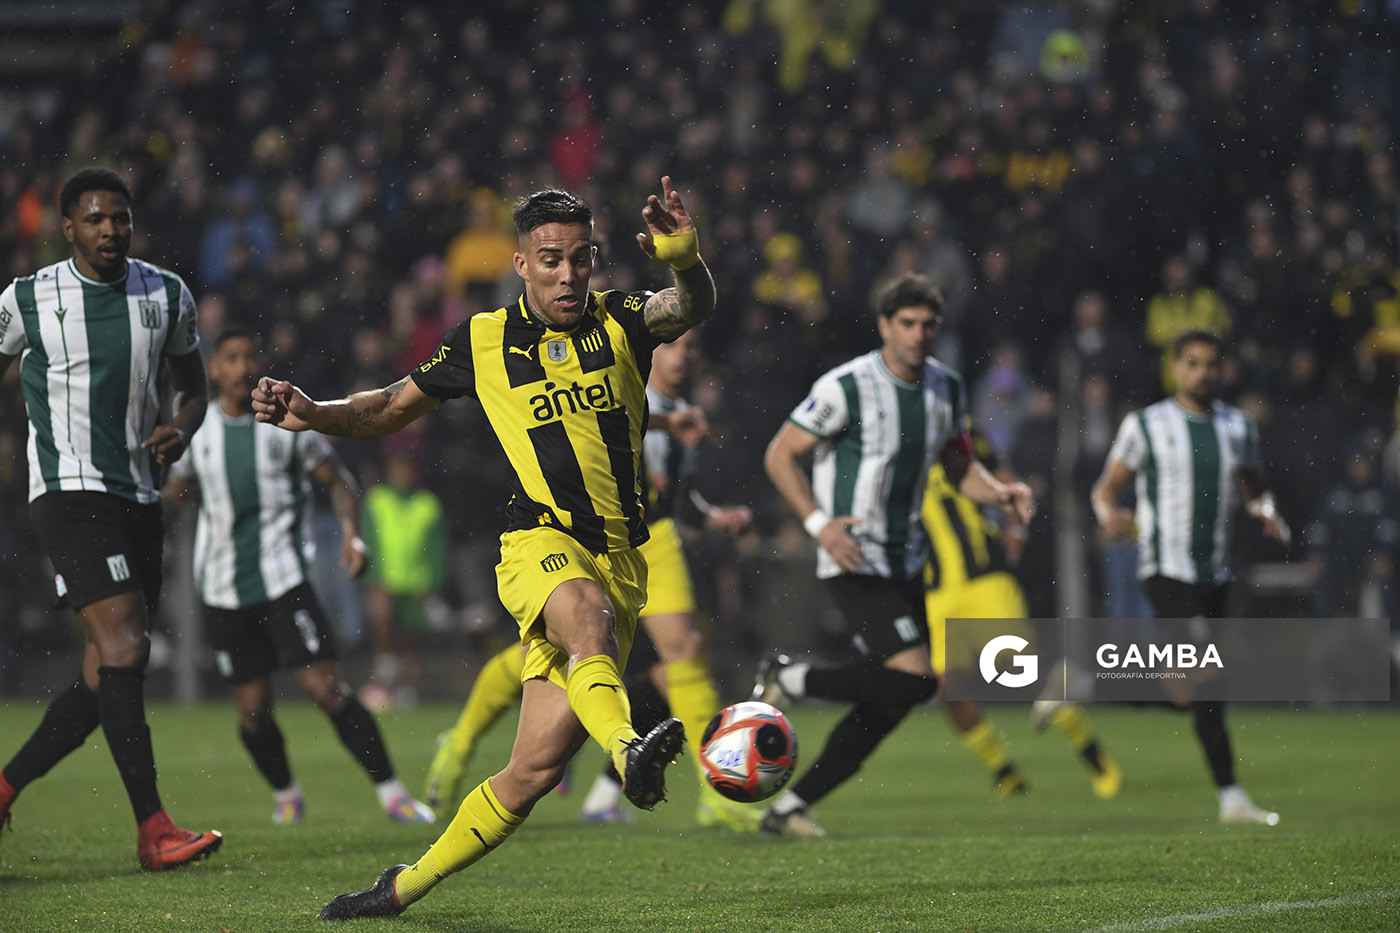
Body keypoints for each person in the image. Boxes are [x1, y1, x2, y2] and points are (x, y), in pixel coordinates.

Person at [252, 178, 714, 919]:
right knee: (586, 614)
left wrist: (685, 259)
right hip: (539, 542)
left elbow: (690, 305)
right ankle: (628, 751)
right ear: (521, 263)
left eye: (581, 259)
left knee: (529, 774)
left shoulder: (624, 320)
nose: (569, 274)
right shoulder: (483, 340)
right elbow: (390, 408)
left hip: (624, 561)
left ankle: (399, 887)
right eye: (551, 259)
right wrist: (315, 412)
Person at [423, 328, 760, 831]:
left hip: (654, 539)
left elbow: (670, 497)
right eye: (673, 343)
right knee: (551, 658)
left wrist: (710, 517)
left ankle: (719, 794)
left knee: (684, 651)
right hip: (587, 536)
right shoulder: (615, 375)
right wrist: (665, 426)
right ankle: (463, 740)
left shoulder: (680, 411)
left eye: (691, 346)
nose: (682, 355)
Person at [754, 272, 1033, 837]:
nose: (918, 334)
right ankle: (791, 677)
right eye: (907, 323)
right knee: (917, 679)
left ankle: (789, 807)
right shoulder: (847, 386)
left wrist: (1000, 494)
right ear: (885, 326)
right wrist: (818, 525)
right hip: (854, 556)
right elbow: (781, 454)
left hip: (909, 564)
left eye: (928, 325)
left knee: (889, 703)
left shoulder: (947, 388)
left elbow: (958, 469)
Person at [0, 167, 223, 870]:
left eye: (119, 218)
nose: (109, 231)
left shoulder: (166, 294)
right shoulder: (27, 298)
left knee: (110, 670)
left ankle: (3, 786)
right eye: (94, 219)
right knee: (126, 649)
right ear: (67, 228)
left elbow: (195, 388)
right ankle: (153, 827)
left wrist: (182, 429)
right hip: (67, 488)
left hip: (137, 494)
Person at [164, 328, 435, 826]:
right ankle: (287, 794)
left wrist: (352, 533)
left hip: (285, 581)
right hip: (221, 591)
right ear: (215, 370)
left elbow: (339, 482)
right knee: (252, 710)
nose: (243, 363)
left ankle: (392, 793)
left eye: (250, 354)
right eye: (231, 356)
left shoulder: (288, 426)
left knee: (327, 690)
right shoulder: (196, 436)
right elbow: (174, 498)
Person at [1091, 329, 1289, 825]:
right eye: (1193, 363)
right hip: (1166, 569)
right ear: (1177, 368)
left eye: (1210, 364)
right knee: (1208, 678)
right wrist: (1107, 515)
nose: (1202, 372)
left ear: (1221, 369)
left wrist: (1266, 511)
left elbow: (1254, 487)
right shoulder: (1147, 425)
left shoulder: (1238, 427)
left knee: (1188, 693)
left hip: (1216, 572)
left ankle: (1084, 680)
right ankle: (1231, 796)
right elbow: (1106, 489)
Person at [921, 431, 1121, 800]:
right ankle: (1005, 772)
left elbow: (1002, 476)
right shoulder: (886, 450)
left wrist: (1014, 524)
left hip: (985, 580)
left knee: (1023, 673)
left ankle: (1092, 753)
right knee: (949, 690)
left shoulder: (954, 431)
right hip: (937, 592)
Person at [361, 448, 450, 708]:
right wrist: (374, 577)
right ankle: (385, 679)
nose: (402, 473)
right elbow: (368, 539)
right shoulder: (376, 499)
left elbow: (438, 547)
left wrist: (434, 583)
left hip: (417, 583)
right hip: (385, 581)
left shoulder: (428, 504)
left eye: (407, 468)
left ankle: (408, 692)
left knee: (411, 640)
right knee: (382, 626)